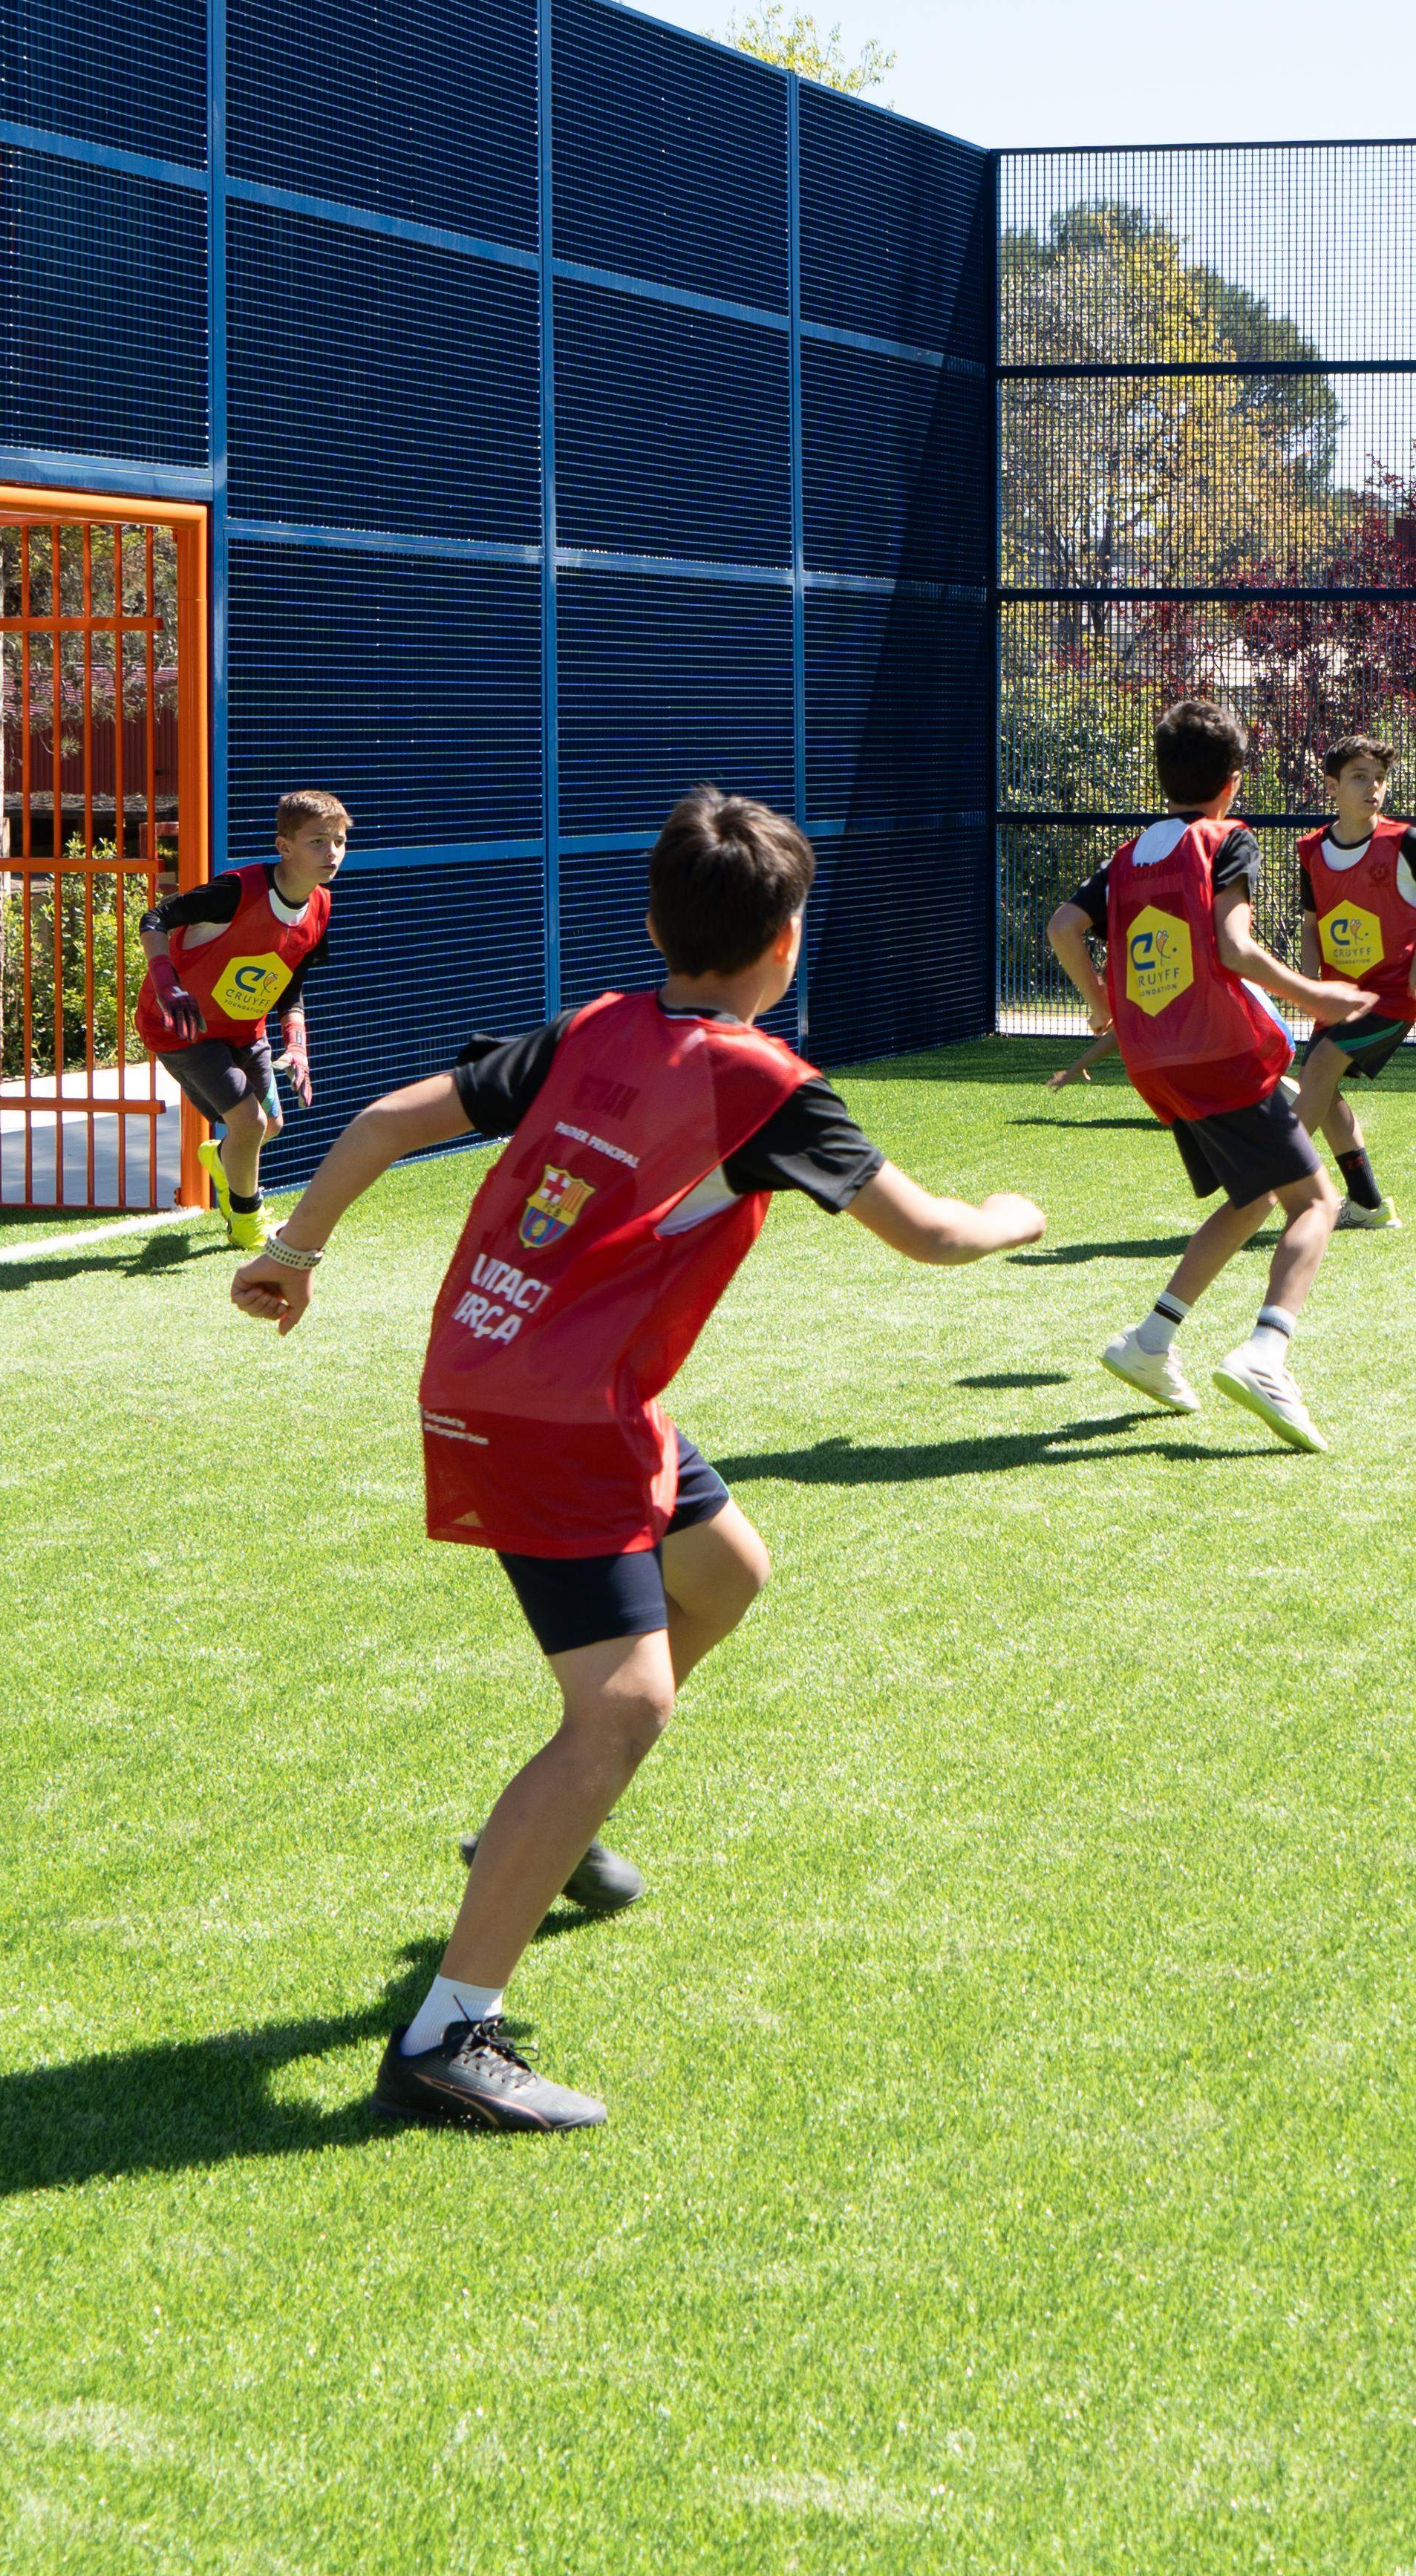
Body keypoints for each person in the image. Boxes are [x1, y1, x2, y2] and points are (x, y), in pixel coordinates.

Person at [233, 790, 1045, 2134]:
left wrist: (293, 1252)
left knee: (723, 1572)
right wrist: (1013, 1215)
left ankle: (534, 1840)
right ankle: (447, 2035)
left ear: (659, 922)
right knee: (621, 1709)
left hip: (522, 1373)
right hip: (560, 1413)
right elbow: (935, 1236)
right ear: (786, 943)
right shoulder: (766, 1087)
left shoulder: (597, 1025)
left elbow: (376, 1120)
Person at [1042, 695, 1354, 1446]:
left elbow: (1062, 927)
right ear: (1234, 782)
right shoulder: (1227, 840)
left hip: (1158, 1064)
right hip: (1220, 1052)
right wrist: (1316, 993)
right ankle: (1267, 1354)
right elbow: (1236, 948)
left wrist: (1102, 1006)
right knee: (1316, 1204)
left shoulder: (1127, 857)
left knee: (1250, 1198)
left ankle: (1149, 1342)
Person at [138, 788, 348, 1249]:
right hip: (181, 1026)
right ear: (284, 847)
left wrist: (297, 1044)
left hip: (244, 1026)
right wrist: (165, 981)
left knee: (269, 1128)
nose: (331, 852)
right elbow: (154, 919)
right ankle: (246, 1222)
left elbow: (290, 982)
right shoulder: (238, 890)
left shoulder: (321, 908)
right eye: (317, 841)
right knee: (249, 1124)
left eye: (338, 841)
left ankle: (221, 1158)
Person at [1288, 734, 1416, 1226]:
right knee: (1326, 1089)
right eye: (1360, 777)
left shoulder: (1405, 842)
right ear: (1332, 786)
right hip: (1338, 996)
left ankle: (1269, 1181)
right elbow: (1311, 923)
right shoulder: (1311, 850)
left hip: (1395, 992)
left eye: (1379, 778)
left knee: (1319, 1072)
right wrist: (1307, 980)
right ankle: (1367, 1204)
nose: (1373, 787)